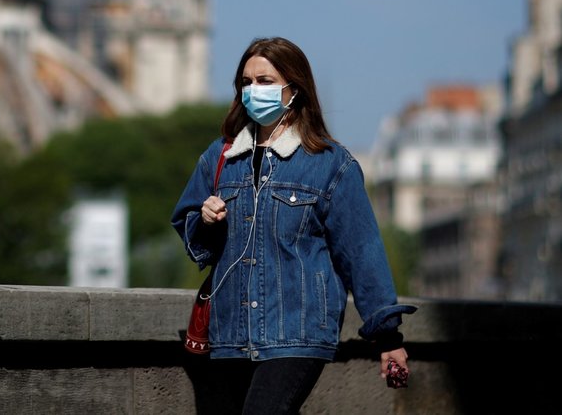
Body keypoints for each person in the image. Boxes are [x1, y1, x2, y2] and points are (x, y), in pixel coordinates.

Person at [171, 36, 416, 414]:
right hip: (230, 332)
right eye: (247, 82)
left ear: (294, 89)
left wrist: (387, 337)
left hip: (298, 332)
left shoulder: (332, 164)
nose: (254, 90)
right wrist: (205, 221)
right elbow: (190, 231)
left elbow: (362, 252)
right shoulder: (220, 158)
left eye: (265, 81)